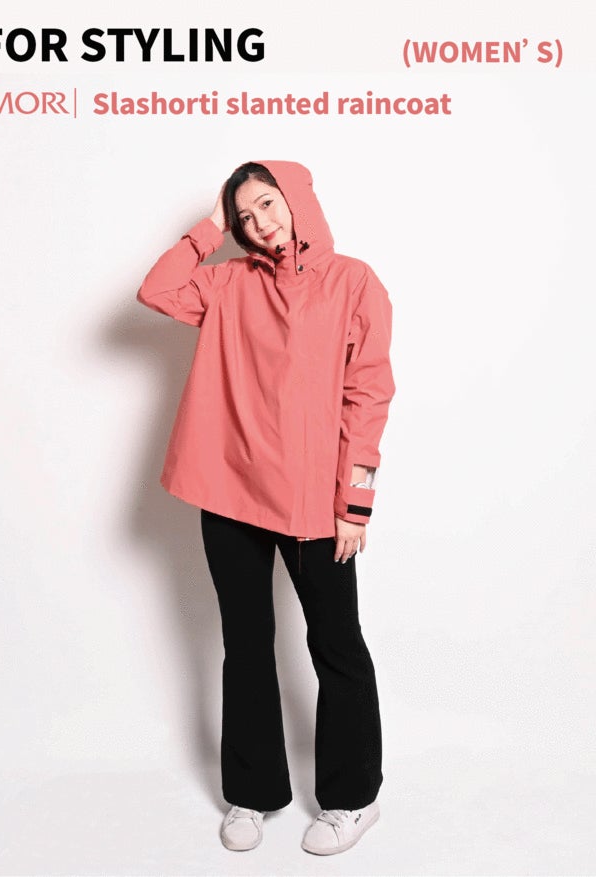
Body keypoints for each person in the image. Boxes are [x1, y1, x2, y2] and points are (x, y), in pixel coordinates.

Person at [136, 160, 395, 855]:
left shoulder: (354, 282)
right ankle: (252, 792)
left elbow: (368, 394)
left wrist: (356, 501)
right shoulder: (227, 283)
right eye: (245, 216)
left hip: (315, 500)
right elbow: (156, 289)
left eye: (267, 205)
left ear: (296, 199)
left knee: (335, 644)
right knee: (245, 643)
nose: (260, 224)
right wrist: (211, 227)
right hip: (229, 492)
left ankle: (352, 798)